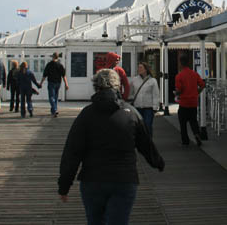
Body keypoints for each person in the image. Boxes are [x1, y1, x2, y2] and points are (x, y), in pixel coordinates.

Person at [58, 69, 164, 225]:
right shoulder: (131, 113)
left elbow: (72, 152)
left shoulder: (86, 115)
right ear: (118, 87)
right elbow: (145, 143)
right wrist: (157, 162)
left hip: (93, 180)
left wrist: (64, 185)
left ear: (96, 87)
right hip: (124, 180)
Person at [175, 53, 205, 146]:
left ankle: (185, 140)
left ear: (180, 63)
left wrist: (176, 93)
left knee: (182, 123)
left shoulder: (179, 76)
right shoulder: (194, 74)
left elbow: (179, 90)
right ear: (188, 63)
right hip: (193, 102)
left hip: (184, 103)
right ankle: (197, 134)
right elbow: (202, 85)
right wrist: (197, 92)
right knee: (193, 121)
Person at [130, 62, 160, 137]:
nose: (139, 69)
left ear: (146, 69)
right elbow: (130, 93)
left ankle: (149, 143)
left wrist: (155, 107)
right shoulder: (134, 80)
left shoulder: (153, 80)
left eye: (141, 67)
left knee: (147, 125)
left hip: (148, 108)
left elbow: (156, 94)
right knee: (138, 127)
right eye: (138, 67)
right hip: (137, 107)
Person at [41, 52, 69, 117]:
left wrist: (41, 83)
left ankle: (54, 109)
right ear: (58, 57)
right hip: (58, 83)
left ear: (53, 57)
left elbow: (44, 75)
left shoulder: (49, 65)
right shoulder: (60, 65)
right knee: (55, 97)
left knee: (51, 97)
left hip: (51, 82)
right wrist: (66, 84)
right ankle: (53, 110)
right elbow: (63, 75)